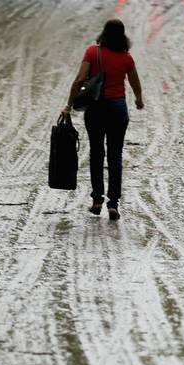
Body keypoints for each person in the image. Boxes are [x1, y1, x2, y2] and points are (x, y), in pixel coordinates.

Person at [62, 19, 144, 220]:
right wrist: (139, 99)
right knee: (115, 155)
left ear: (104, 34)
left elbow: (80, 79)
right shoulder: (126, 58)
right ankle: (113, 204)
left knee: (97, 153)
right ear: (123, 37)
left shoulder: (92, 52)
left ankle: (97, 199)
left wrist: (69, 104)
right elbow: (135, 82)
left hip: (96, 108)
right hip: (118, 108)